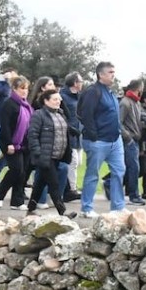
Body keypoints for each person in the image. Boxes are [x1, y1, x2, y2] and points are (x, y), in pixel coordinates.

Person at [76, 62, 127, 217]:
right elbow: (85, 114)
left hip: (115, 141)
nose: (113, 74)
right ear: (101, 74)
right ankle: (87, 208)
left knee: (119, 171)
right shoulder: (93, 92)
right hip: (98, 141)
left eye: (114, 71)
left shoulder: (110, 92)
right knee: (93, 174)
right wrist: (93, 136)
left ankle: (118, 207)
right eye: (110, 72)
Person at [25, 89, 77, 218]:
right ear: (46, 101)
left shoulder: (60, 114)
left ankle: (31, 208)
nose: (58, 101)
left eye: (59, 99)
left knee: (40, 184)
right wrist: (38, 152)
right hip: (45, 156)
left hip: (58, 156)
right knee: (54, 184)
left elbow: (63, 128)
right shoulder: (39, 115)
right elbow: (32, 135)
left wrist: (75, 132)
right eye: (55, 99)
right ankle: (62, 211)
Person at [0, 76, 32, 210]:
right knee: (16, 169)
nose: (25, 91)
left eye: (26, 88)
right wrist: (9, 143)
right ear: (14, 89)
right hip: (10, 143)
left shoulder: (26, 105)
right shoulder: (9, 104)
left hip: (24, 144)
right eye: (22, 88)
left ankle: (17, 201)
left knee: (22, 172)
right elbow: (5, 126)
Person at [119, 79, 146, 206]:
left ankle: (108, 184)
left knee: (129, 167)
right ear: (139, 88)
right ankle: (134, 196)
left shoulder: (136, 103)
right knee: (134, 168)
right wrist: (128, 137)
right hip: (129, 140)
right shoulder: (125, 102)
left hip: (136, 139)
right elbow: (119, 122)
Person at [60, 72, 84, 200]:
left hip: (79, 135)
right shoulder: (62, 96)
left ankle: (69, 187)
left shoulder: (79, 97)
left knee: (78, 162)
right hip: (68, 134)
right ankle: (71, 189)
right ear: (75, 83)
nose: (82, 84)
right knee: (72, 162)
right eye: (80, 81)